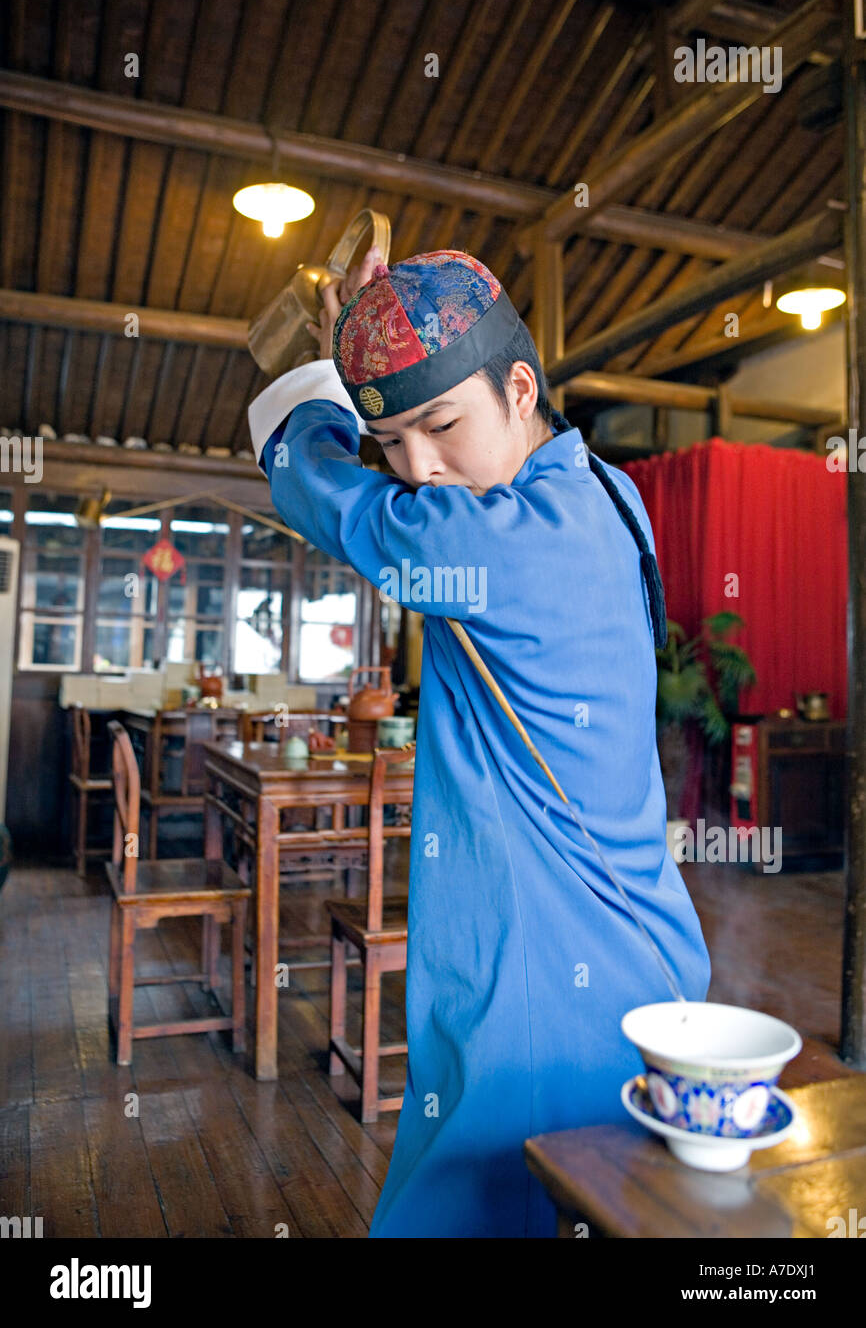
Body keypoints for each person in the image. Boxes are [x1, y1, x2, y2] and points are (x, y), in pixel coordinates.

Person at [248, 245, 711, 1238]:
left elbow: (305, 477)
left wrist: (316, 383)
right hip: (643, 955)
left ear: (517, 384)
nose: (418, 468)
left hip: (538, 994)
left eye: (441, 426)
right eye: (393, 442)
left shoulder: (482, 543)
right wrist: (366, 337)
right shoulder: (603, 498)